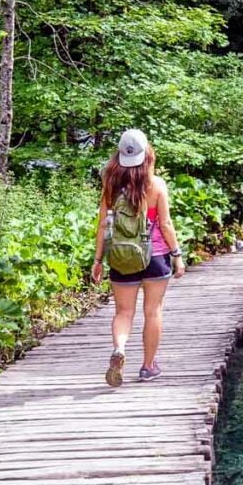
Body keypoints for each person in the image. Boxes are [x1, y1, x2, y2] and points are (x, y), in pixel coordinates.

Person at [91, 129, 185, 385]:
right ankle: (148, 367)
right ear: (148, 155)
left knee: (123, 312)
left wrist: (98, 261)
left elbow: (103, 225)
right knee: (153, 311)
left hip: (121, 257)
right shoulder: (156, 186)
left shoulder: (110, 186)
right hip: (155, 257)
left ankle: (120, 348)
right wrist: (177, 255)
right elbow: (165, 224)